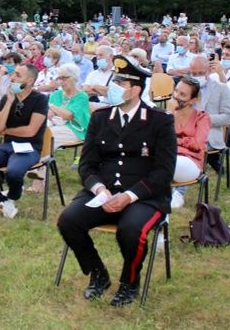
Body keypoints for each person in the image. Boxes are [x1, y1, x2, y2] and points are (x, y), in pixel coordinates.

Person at [56, 55, 176, 306]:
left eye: (121, 84)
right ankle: (98, 274)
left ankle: (129, 283)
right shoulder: (101, 118)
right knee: (68, 220)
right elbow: (87, 164)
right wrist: (99, 188)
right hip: (104, 191)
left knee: (131, 231)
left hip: (144, 195)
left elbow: (164, 171)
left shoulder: (160, 121)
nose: (114, 87)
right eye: (115, 81)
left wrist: (129, 196)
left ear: (136, 89)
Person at [0, 63, 48, 219]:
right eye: (13, 74)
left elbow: (31, 131)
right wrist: (9, 102)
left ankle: (14, 194)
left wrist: (7, 130)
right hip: (8, 145)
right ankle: (1, 201)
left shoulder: (40, 100)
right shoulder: (7, 98)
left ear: (29, 81)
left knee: (14, 173)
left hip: (30, 147)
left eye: (17, 75)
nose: (12, 77)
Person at [29, 63, 90, 192]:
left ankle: (38, 181)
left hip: (75, 129)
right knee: (39, 134)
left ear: (74, 78)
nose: (61, 81)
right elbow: (50, 113)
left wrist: (52, 107)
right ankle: (36, 169)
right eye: (59, 78)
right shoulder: (56, 95)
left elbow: (68, 115)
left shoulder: (81, 96)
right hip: (56, 124)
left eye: (64, 78)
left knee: (46, 137)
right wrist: (53, 110)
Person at [167, 77, 210, 208]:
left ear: (193, 100)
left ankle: (177, 193)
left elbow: (197, 145)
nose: (176, 96)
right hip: (168, 156)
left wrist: (175, 139)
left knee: (168, 163)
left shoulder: (202, 118)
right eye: (176, 91)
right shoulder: (166, 114)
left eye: (182, 94)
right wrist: (169, 114)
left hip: (190, 161)